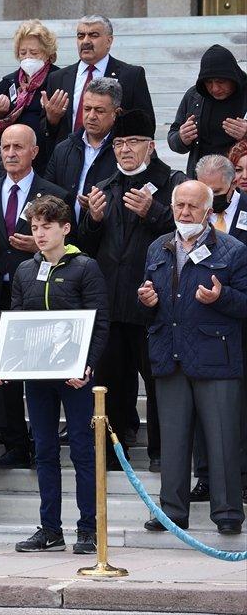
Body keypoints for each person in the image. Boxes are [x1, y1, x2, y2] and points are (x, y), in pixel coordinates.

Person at [75, 109, 185, 472]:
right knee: (110, 380)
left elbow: (187, 231)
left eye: (133, 142)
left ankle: (161, 453)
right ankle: (112, 448)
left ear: (150, 146)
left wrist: (155, 212)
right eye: (119, 143)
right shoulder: (104, 186)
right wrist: (91, 220)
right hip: (110, 299)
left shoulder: (171, 182)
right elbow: (85, 247)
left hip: (156, 301)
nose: (125, 150)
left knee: (156, 381)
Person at [2, 194, 109, 554]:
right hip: (38, 374)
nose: (40, 233)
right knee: (45, 450)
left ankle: (88, 528)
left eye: (47, 226)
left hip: (75, 375)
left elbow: (99, 323)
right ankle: (50, 528)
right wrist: (5, 362)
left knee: (82, 449)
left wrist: (88, 364)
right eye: (35, 227)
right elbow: (16, 323)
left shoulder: (84, 267)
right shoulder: (25, 270)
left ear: (65, 228)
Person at [139, 180, 246, 536]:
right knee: (173, 439)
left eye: (192, 207)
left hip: (215, 357)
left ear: (208, 211)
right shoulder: (158, 247)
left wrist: (222, 297)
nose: (184, 213)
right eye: (179, 206)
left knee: (222, 438)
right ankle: (172, 511)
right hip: (170, 355)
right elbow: (151, 298)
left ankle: (228, 512)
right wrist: (148, 302)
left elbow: (244, 303)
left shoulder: (232, 249)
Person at [0, 124, 69, 468]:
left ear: (34, 152)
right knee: (5, 368)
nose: (10, 153)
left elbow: (70, 243)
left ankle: (44, 442)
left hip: (39, 292)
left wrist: (35, 249)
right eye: (5, 147)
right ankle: (14, 442)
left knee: (42, 370)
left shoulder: (53, 193)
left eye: (18, 147)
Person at [191, 154, 247, 504]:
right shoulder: (191, 215)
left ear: (232, 184)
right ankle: (206, 476)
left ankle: (239, 475)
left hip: (239, 318)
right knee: (200, 406)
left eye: (218, 191)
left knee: (237, 407)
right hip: (201, 324)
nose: (212, 199)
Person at [40, 16, 154, 147]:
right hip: (70, 159)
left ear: (109, 41)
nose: (86, 41)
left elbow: (147, 124)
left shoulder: (131, 76)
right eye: (81, 36)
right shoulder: (57, 78)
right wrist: (52, 119)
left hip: (112, 159)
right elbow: (45, 131)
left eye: (93, 35)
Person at [43, 77, 120, 221]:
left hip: (106, 238)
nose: (91, 116)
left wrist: (98, 209)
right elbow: (47, 194)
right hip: (66, 238)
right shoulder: (63, 149)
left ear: (115, 113)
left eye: (99, 111)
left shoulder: (124, 152)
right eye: (87, 109)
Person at [167, 44, 247, 177]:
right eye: (209, 82)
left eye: (220, 81)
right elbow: (173, 138)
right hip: (202, 179)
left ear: (232, 77)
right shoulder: (194, 96)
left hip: (240, 180)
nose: (215, 88)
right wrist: (182, 138)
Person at [0, 19, 62, 144]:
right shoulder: (8, 83)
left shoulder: (59, 79)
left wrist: (52, 115)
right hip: (11, 152)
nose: (28, 57)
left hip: (46, 153)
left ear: (48, 53)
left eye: (34, 52)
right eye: (23, 53)